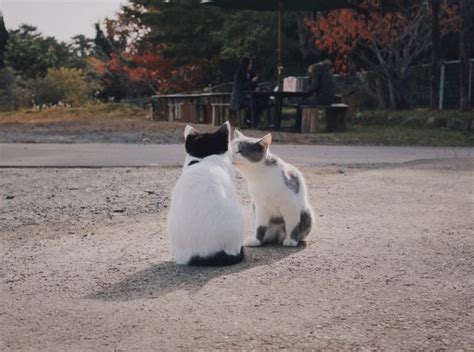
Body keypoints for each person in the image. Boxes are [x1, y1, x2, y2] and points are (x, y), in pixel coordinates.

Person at [296, 59, 336, 131]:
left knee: (301, 103)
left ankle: (298, 126)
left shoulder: (317, 72)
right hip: (330, 100)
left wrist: (308, 88)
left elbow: (314, 86)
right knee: (305, 101)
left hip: (321, 99)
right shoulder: (328, 73)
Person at [230, 57, 259, 128]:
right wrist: (252, 81)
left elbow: (253, 84)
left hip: (249, 96)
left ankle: (254, 121)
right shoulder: (239, 74)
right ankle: (246, 121)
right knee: (252, 104)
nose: (251, 65)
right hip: (239, 98)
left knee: (260, 103)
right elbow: (242, 86)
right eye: (250, 63)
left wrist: (256, 85)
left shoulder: (251, 73)